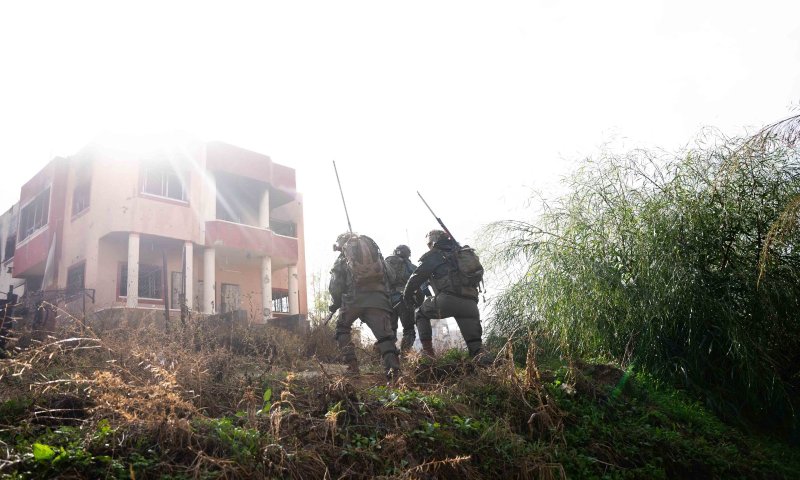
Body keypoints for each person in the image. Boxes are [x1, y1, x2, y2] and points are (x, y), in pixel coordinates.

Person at [402, 229, 486, 361]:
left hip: (448, 299)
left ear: (433, 242)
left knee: (420, 314)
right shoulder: (462, 253)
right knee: (476, 348)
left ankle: (428, 354)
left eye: (429, 244)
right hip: (471, 303)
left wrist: (406, 296)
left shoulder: (435, 255)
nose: (429, 247)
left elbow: (416, 278)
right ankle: (489, 371)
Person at [329, 232, 401, 383]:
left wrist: (335, 304)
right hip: (379, 302)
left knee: (342, 329)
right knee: (385, 337)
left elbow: (335, 286)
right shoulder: (378, 257)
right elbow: (392, 277)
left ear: (342, 245)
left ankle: (353, 368)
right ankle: (394, 373)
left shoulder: (342, 259)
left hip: (353, 301)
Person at [384, 245, 430, 352]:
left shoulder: (385, 265)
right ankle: (405, 357)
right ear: (408, 254)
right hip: (404, 300)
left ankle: (387, 357)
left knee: (390, 331)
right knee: (409, 330)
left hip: (387, 302)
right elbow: (423, 284)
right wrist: (428, 297)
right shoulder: (410, 266)